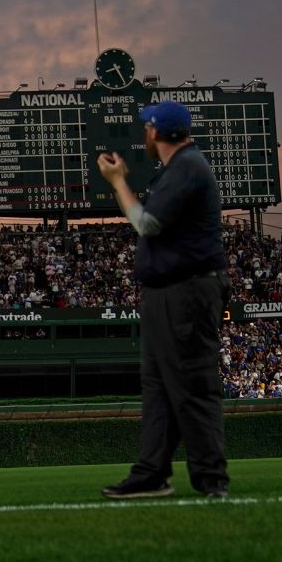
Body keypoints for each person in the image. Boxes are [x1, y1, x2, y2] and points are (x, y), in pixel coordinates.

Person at [96, 100, 231, 499]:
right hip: (167, 292)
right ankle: (152, 473)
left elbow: (147, 224)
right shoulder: (181, 167)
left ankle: (212, 480)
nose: (144, 135)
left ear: (155, 132)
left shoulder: (187, 166)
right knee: (159, 388)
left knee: (192, 385)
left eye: (146, 129)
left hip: (186, 291)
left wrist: (118, 180)